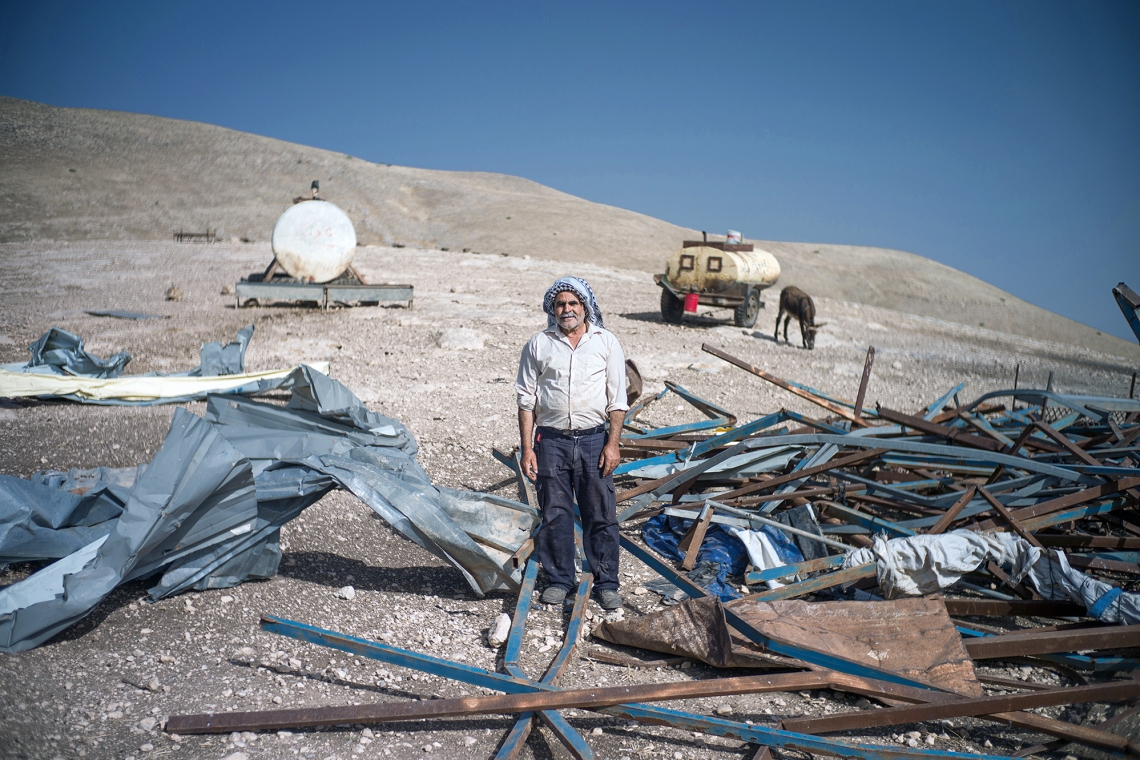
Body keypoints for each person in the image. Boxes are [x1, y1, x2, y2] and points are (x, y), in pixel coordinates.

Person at [516, 277, 628, 610]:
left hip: (594, 440)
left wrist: (613, 444)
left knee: (601, 513)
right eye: (561, 305)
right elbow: (526, 401)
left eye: (573, 304)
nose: (567, 310)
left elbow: (617, 400)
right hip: (551, 441)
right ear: (553, 309)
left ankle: (607, 583)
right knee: (555, 513)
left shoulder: (606, 342)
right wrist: (527, 449)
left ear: (585, 308)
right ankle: (560, 580)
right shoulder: (539, 344)